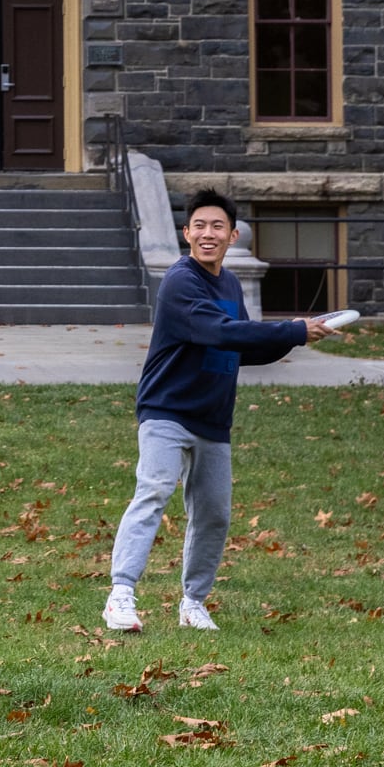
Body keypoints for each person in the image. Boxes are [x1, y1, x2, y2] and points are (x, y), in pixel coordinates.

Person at [105, 189, 335, 632]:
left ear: (232, 236)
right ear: (187, 233)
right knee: (153, 493)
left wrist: (294, 337)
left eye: (217, 227)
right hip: (166, 411)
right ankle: (120, 595)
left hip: (213, 419)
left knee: (213, 513)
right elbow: (217, 330)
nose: (208, 234)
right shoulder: (180, 281)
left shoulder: (229, 283)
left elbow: (239, 345)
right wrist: (292, 329)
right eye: (200, 226)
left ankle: (193, 603)